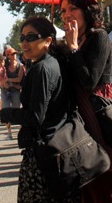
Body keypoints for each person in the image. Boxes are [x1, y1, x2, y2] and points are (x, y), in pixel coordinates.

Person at [61, 0, 112, 203]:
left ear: (87, 10)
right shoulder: (76, 40)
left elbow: (88, 81)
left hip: (97, 116)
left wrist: (73, 48)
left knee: (107, 171)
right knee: (88, 180)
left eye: (73, 8)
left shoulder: (99, 37)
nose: (67, 14)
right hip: (78, 120)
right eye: (64, 10)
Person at [9, 16, 72, 202]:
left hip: (44, 153)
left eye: (31, 37)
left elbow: (35, 117)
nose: (24, 43)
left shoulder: (43, 68)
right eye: (22, 38)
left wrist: (8, 114)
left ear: (48, 40)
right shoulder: (52, 63)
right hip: (57, 148)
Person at [1, 48, 25, 140]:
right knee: (6, 110)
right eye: (12, 54)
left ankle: (20, 131)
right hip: (5, 90)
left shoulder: (20, 66)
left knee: (16, 109)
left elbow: (19, 79)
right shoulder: (4, 66)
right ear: (8, 56)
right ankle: (9, 133)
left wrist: (8, 80)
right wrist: (2, 82)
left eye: (15, 53)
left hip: (15, 90)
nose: (14, 55)